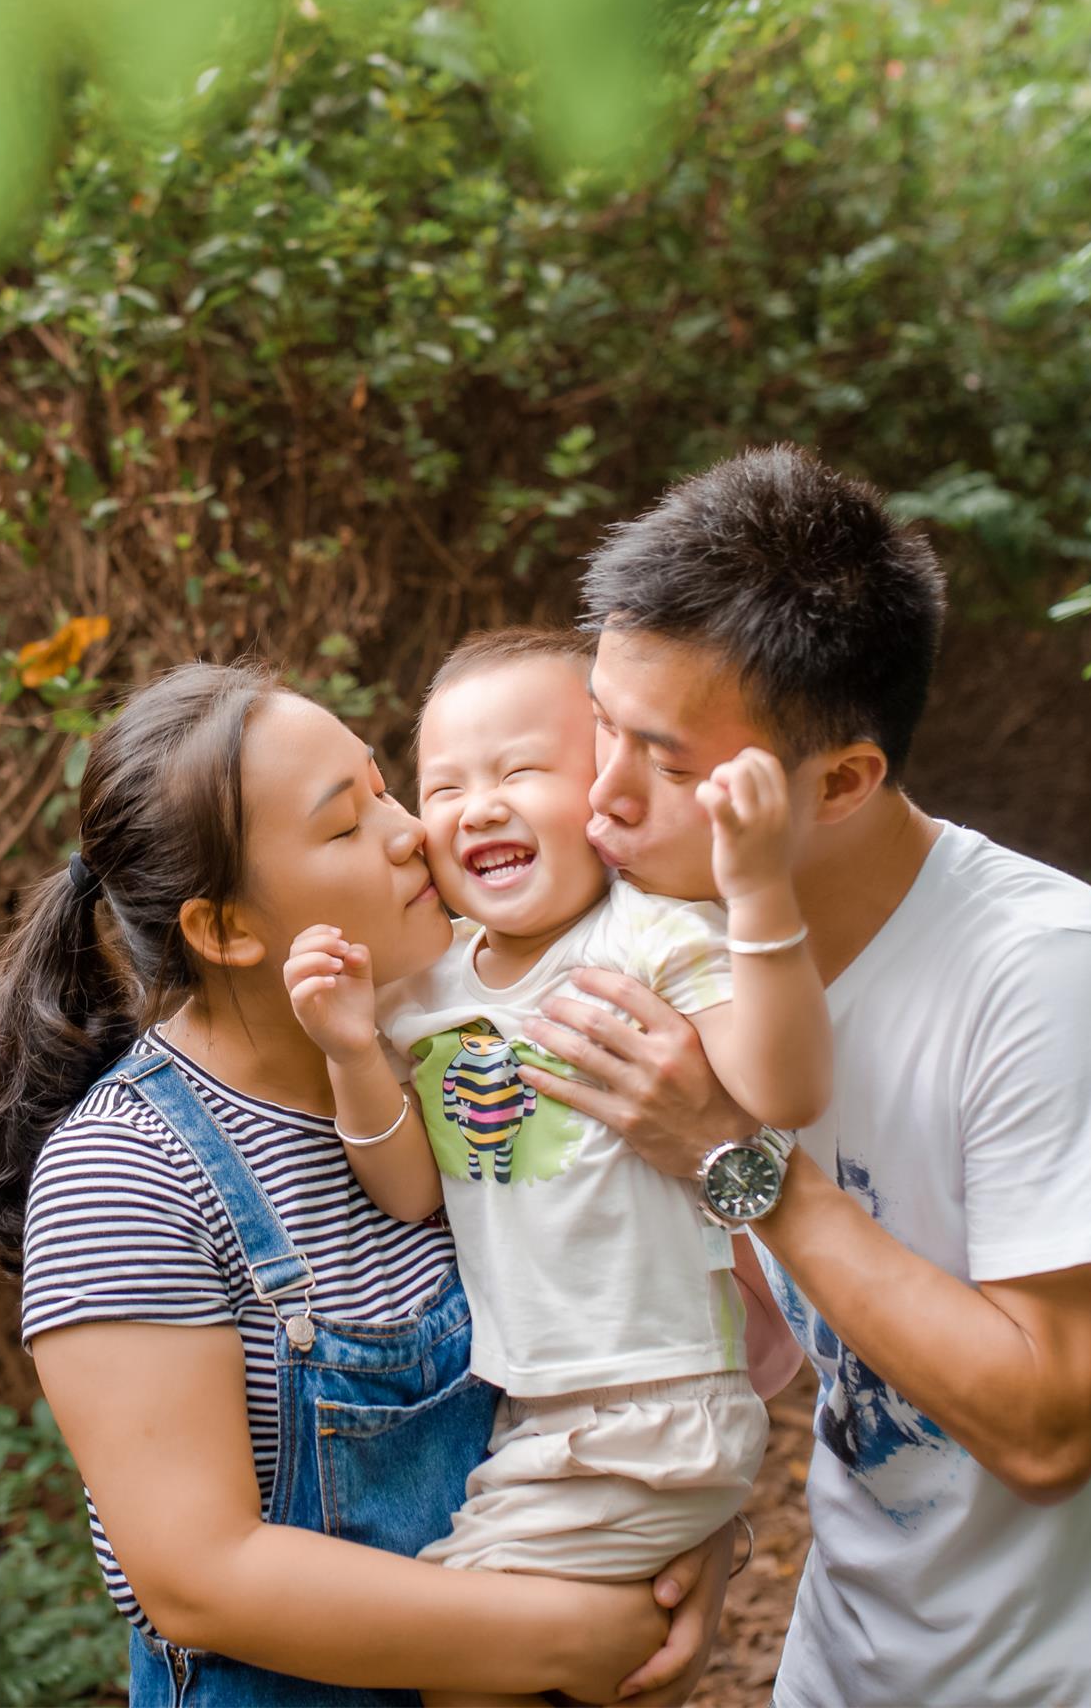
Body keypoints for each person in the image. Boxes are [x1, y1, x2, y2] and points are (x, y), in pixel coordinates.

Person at [513, 446, 1091, 1708]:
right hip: (849, 1661)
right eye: (600, 723)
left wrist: (735, 1157)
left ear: (841, 782)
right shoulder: (686, 955)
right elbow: (781, 1338)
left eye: (662, 763)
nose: (598, 797)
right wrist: (700, 1530)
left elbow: (1045, 1426)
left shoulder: (1046, 980)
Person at [0, 662, 739, 1707]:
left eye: (385, 788)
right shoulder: (125, 1171)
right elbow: (197, 1578)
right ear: (225, 928)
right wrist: (576, 1634)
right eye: (343, 827)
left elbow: (623, 1305)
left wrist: (673, 1534)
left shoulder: (463, 1027)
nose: (412, 833)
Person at [278, 626, 825, 1708]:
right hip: (532, 1416)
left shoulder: (650, 939)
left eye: (522, 770)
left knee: (462, 1667)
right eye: (443, 787)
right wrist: (350, 1050)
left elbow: (785, 1090)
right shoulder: (422, 995)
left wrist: (757, 894)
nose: (478, 805)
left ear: (603, 796)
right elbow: (407, 1190)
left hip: (655, 1406)